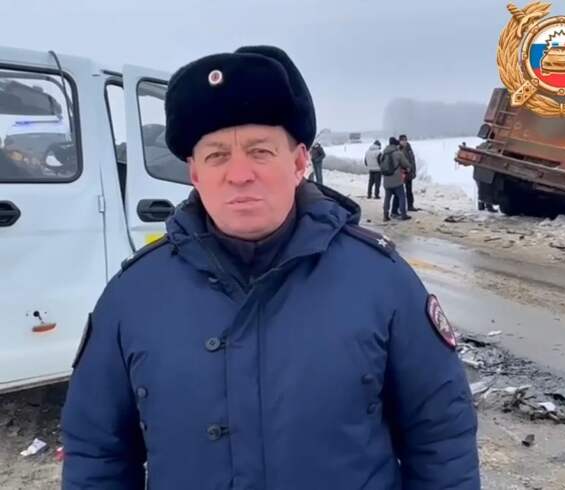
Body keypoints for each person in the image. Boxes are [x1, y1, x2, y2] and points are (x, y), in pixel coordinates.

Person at [61, 45, 479, 490]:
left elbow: (440, 436)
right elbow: (97, 453)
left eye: (259, 151)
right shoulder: (133, 297)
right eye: (217, 156)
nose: (240, 174)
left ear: (299, 163)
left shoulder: (381, 281)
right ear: (195, 174)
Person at [382, 136, 412, 222]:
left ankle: (385, 215)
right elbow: (406, 164)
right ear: (395, 144)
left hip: (386, 180)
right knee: (402, 196)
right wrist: (407, 168)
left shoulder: (383, 154)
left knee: (387, 198)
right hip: (396, 180)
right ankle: (403, 214)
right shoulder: (398, 153)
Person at [391, 134, 418, 214]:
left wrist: (413, 170)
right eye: (403, 140)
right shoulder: (398, 149)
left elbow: (412, 160)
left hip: (409, 172)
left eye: (405, 140)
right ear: (400, 141)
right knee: (399, 192)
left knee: (409, 190)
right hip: (401, 173)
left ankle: (410, 205)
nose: (405, 141)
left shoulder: (409, 148)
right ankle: (398, 208)